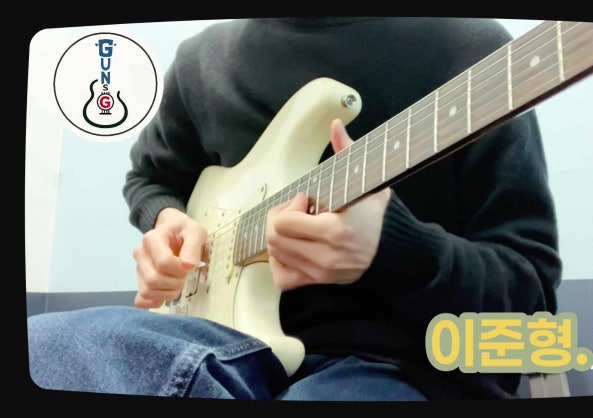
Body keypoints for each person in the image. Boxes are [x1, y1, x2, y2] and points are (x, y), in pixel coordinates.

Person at [27, 17, 562, 400]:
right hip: (219, 342)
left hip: (398, 365)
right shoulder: (200, 62)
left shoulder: (472, 50)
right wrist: (165, 222)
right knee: (40, 347)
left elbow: (530, 303)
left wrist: (401, 251)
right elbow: (150, 178)